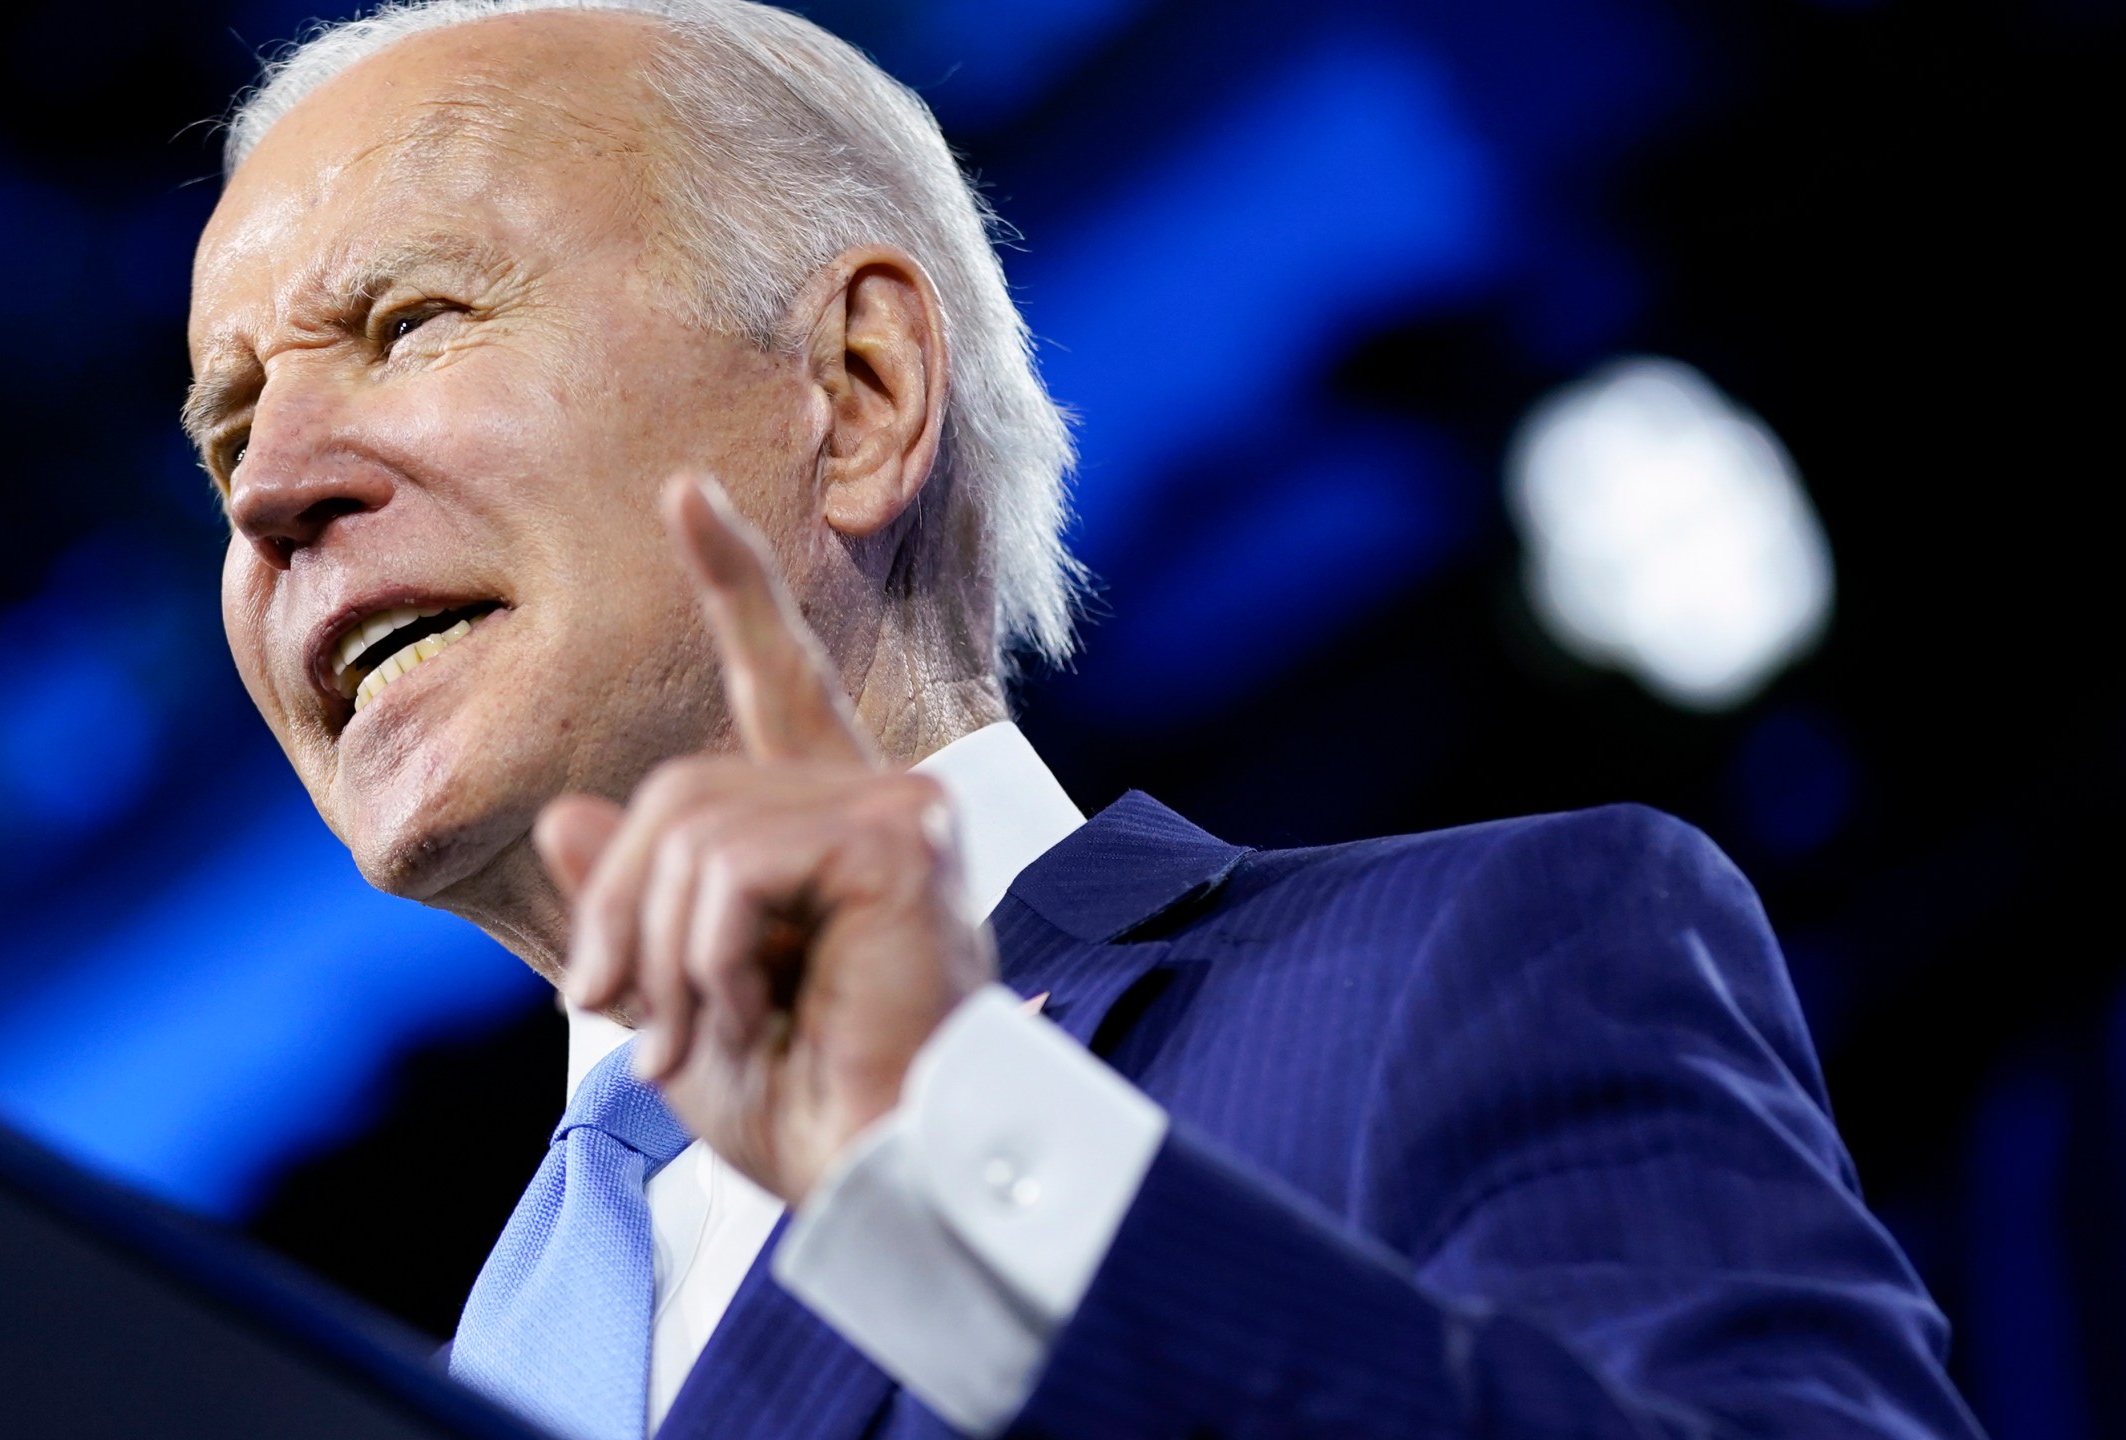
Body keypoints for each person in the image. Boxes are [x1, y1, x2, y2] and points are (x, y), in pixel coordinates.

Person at [186, 2, 1982, 1437]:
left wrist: (973, 1152)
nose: (267, 493)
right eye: (225, 432)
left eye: (411, 322)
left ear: (861, 390)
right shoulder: (383, 1381)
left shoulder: (1468, 962)